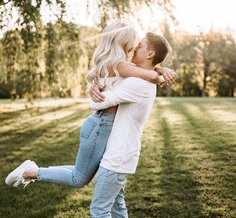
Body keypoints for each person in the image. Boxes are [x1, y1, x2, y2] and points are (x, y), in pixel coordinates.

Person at [5, 22, 173, 189]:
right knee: (79, 178)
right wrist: (162, 73)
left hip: (100, 123)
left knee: (83, 172)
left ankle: (34, 170)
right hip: (102, 124)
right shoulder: (119, 65)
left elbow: (144, 71)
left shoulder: (117, 63)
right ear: (123, 41)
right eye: (134, 41)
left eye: (139, 44)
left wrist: (160, 69)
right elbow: (148, 75)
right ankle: (31, 172)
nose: (136, 45)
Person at [83, 32, 173, 218]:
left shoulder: (137, 83)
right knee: (116, 203)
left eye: (140, 45)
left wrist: (96, 94)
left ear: (150, 54)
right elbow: (114, 80)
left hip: (117, 155)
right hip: (123, 152)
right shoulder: (140, 77)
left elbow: (98, 105)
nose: (134, 47)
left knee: (99, 209)